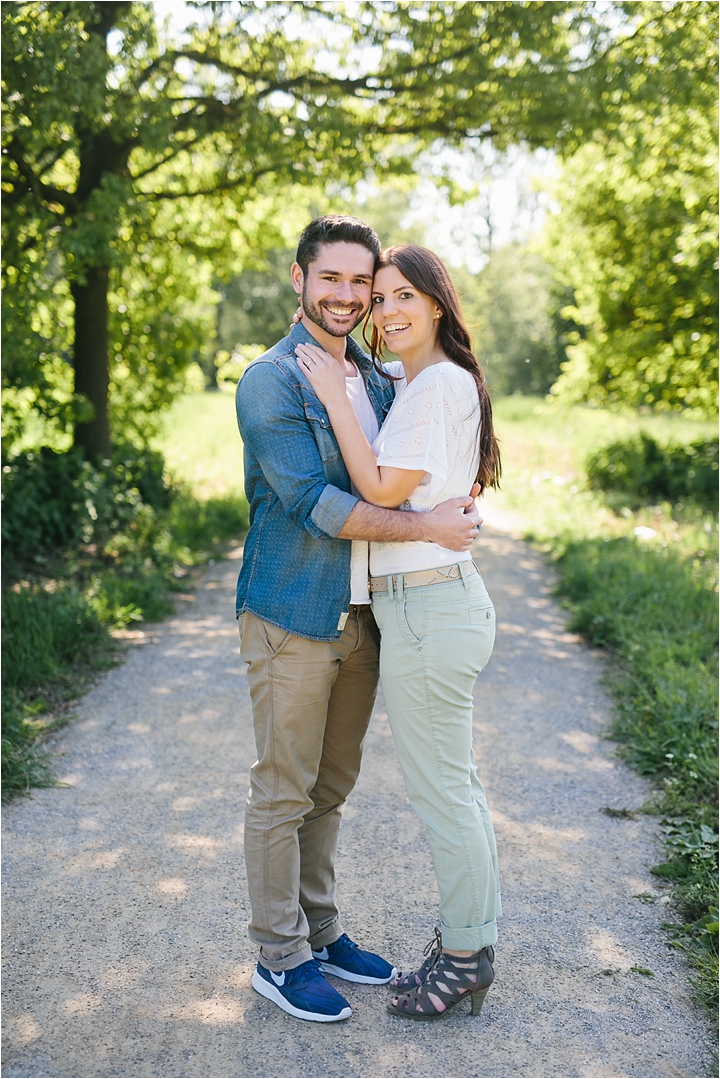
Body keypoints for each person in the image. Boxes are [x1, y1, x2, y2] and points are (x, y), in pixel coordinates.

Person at [235, 217, 482, 1024]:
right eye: (331, 279)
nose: (347, 296)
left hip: (366, 620)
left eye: (361, 284)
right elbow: (315, 501)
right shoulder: (271, 380)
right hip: (295, 611)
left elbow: (414, 462)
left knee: (332, 787)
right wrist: (427, 529)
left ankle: (323, 931)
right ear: (299, 280)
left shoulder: (378, 377)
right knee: (284, 787)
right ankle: (279, 955)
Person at [296, 243, 502, 1021]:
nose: (387, 311)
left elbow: (380, 487)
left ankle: (464, 955)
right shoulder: (430, 382)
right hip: (429, 604)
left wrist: (336, 397)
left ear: (439, 303)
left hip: (428, 609)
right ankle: (469, 944)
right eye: (380, 299)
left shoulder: (432, 385)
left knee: (444, 792)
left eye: (403, 295)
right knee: (457, 788)